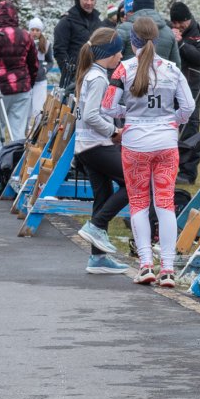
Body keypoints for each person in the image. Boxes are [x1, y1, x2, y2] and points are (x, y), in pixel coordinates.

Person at [100, 17, 194, 288]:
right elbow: (187, 107)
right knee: (165, 204)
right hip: (166, 143)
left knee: (139, 203)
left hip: (135, 144)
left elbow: (107, 107)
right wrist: (171, 121)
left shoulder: (123, 70)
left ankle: (145, 265)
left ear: (132, 41)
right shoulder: (173, 69)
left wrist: (127, 115)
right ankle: (167, 268)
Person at [71, 27, 129, 275]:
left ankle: (97, 259)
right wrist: (113, 132)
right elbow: (93, 115)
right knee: (135, 182)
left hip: (86, 147)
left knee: (103, 195)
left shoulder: (91, 74)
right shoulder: (99, 78)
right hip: (96, 146)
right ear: (109, 52)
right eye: (119, 52)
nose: (121, 57)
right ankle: (97, 224)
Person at [0, 0, 40, 160]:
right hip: (21, 86)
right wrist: (30, 83)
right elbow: (33, 64)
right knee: (18, 127)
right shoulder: (25, 36)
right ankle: (15, 161)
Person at [170, 1, 200, 184]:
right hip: (171, 85)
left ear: (188, 19)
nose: (178, 26)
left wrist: (180, 43)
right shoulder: (171, 30)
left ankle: (187, 173)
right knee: (169, 127)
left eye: (180, 23)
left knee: (189, 128)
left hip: (192, 85)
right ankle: (168, 168)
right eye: (174, 23)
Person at [52, 0, 102, 91]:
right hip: (73, 77)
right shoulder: (66, 21)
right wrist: (69, 73)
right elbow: (59, 50)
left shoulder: (98, 22)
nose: (89, 2)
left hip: (95, 75)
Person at [115, 0, 177, 64]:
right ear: (152, 6)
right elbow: (176, 65)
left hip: (129, 75)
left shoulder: (124, 28)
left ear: (134, 7)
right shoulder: (168, 32)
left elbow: (111, 59)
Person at [26, 16, 53, 120]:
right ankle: (23, 134)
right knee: (26, 111)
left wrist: (44, 70)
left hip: (40, 82)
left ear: (40, 31)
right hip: (27, 82)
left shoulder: (46, 44)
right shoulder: (24, 43)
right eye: (32, 30)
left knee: (38, 110)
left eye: (37, 30)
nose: (35, 32)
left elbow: (50, 61)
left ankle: (38, 134)